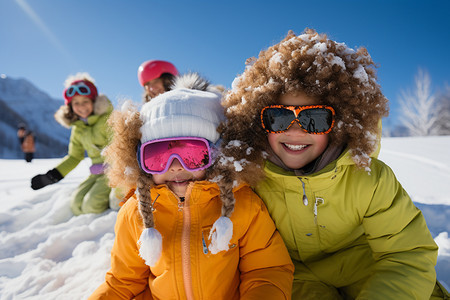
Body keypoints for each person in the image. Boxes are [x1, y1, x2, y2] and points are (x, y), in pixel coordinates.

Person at [215, 29, 448, 299]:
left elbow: (407, 253)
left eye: (314, 119)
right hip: (292, 276)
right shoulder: (248, 180)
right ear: (258, 122)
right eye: (278, 118)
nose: (295, 131)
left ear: (340, 124)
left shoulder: (370, 180)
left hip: (367, 266)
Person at [89, 74, 294, 299]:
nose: (175, 167)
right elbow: (122, 282)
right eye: (158, 156)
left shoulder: (243, 205)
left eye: (192, 154)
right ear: (140, 162)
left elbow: (265, 271)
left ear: (218, 156)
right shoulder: (134, 214)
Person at [30, 73, 113, 216]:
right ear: (70, 106)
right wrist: (51, 176)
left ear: (94, 101)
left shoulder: (107, 120)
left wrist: (111, 167)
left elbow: (122, 147)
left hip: (116, 172)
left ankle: (113, 210)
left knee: (91, 205)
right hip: (97, 174)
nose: (81, 107)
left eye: (85, 101)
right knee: (76, 204)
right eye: (76, 103)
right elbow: (74, 156)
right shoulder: (78, 128)